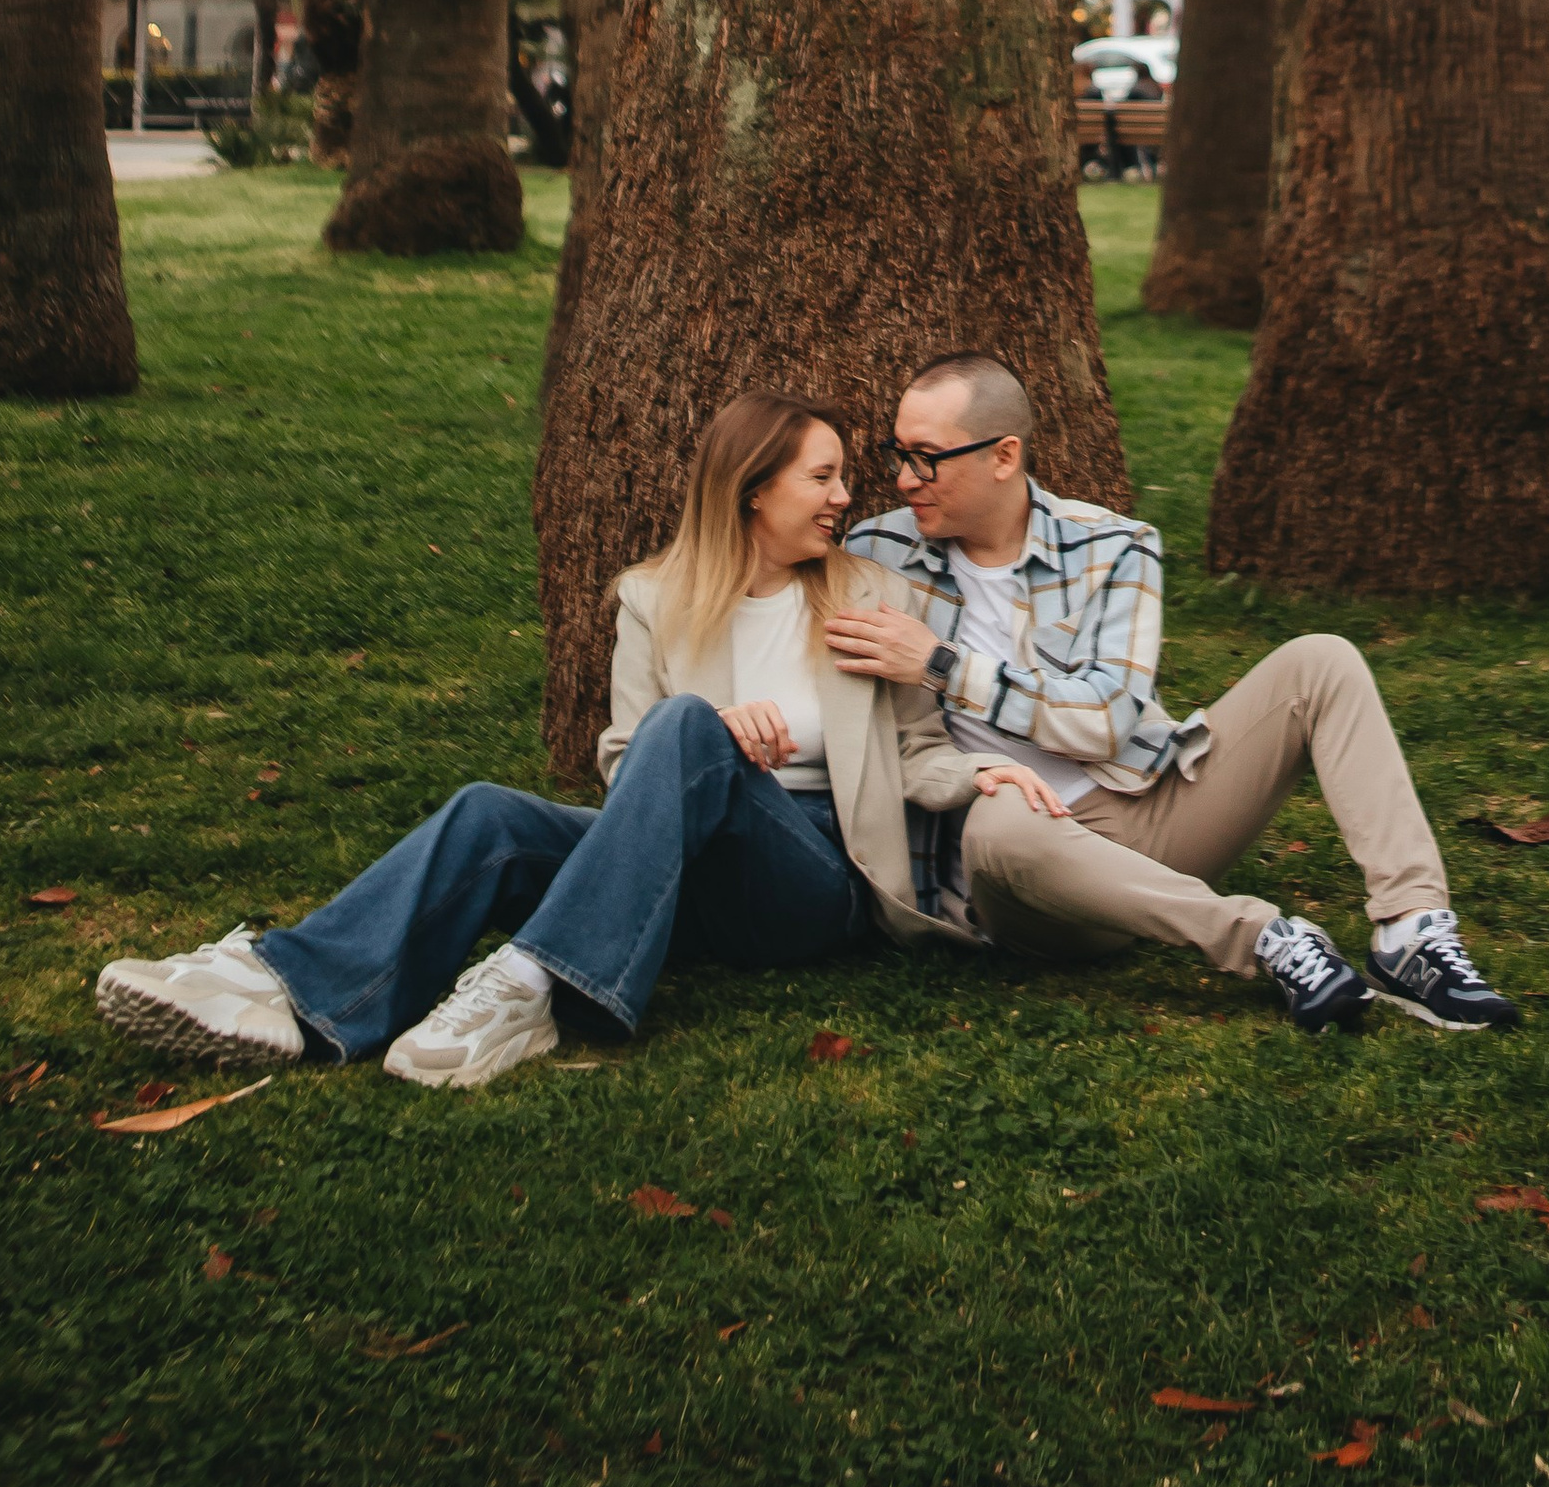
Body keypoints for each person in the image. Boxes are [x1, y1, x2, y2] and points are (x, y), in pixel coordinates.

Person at [93, 391, 1067, 1090]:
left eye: (840, 477)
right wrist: (716, 740)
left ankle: (531, 982)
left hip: (814, 876)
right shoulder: (654, 599)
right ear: (751, 488)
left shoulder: (870, 595)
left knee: (684, 727)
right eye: (821, 475)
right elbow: (618, 761)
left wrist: (980, 771)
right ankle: (289, 990)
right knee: (490, 813)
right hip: (671, 867)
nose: (842, 496)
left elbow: (918, 751)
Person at [829, 352, 1519, 1035]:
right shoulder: (874, 554)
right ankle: (1264, 939)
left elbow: (1102, 721)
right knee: (997, 815)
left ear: (1003, 455)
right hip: (1028, 873)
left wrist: (945, 663)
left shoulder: (1113, 546)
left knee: (1323, 660)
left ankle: (1411, 933)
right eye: (898, 453)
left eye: (926, 457)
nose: (902, 478)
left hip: (1150, 811)